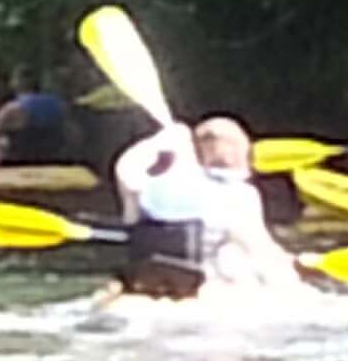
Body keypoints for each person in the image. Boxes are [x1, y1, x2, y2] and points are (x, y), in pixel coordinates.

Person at [111, 110, 214, 300]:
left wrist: (161, 141)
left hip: (145, 275)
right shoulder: (212, 187)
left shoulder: (134, 186)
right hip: (191, 279)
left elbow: (125, 166)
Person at [192, 116, 304, 289]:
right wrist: (293, 276)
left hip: (180, 277)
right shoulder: (241, 193)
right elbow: (256, 245)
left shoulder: (179, 185)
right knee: (237, 255)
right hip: (218, 282)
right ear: (237, 153)